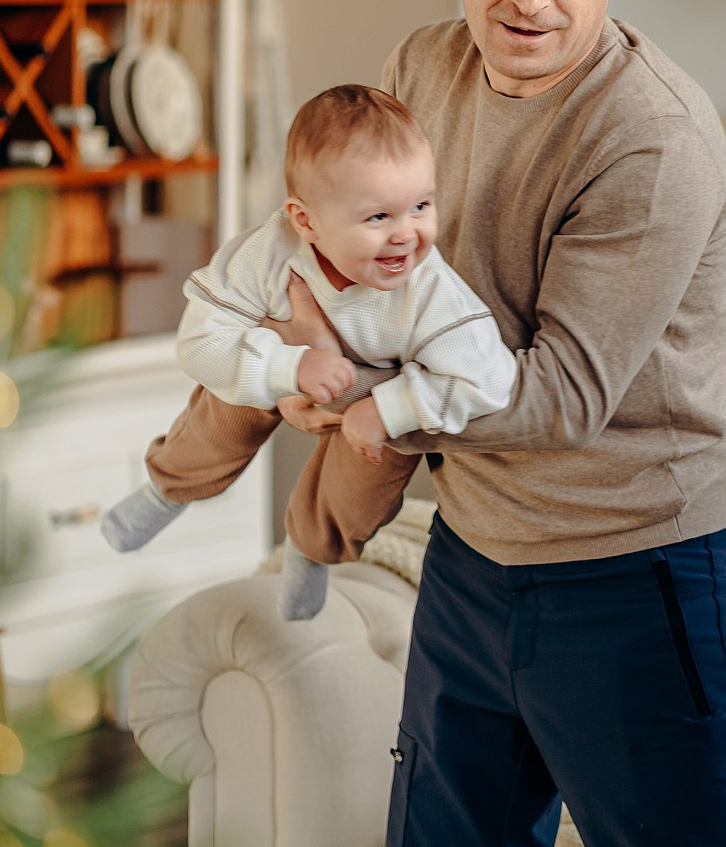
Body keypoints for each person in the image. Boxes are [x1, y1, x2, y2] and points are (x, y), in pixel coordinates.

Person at [265, 0, 726, 847]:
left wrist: (374, 402)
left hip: (632, 568)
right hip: (474, 548)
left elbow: (561, 396)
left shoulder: (652, 137)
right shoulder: (420, 65)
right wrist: (303, 335)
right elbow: (368, 261)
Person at [99, 83, 516, 620]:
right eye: (378, 217)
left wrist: (385, 410)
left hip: (380, 385)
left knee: (367, 478)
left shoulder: (430, 289)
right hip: (283, 358)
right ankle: (167, 488)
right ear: (305, 221)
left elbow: (489, 378)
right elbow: (199, 341)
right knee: (225, 401)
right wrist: (287, 366)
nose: (407, 235)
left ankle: (310, 551)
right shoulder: (268, 254)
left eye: (421, 205)